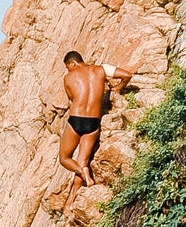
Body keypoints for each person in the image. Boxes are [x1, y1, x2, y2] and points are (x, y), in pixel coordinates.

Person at [57, 51, 134, 191]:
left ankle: (82, 172)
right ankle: (73, 196)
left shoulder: (69, 77)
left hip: (76, 119)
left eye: (68, 67)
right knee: (83, 161)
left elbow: (71, 98)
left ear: (73, 63)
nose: (68, 70)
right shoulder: (101, 69)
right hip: (93, 122)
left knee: (64, 158)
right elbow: (127, 75)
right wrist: (117, 89)